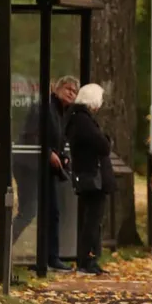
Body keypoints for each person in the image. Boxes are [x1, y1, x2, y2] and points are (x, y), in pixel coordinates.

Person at [0, 76, 77, 271]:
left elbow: (56, 140)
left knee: (52, 211)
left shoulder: (62, 112)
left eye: (74, 91)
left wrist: (61, 156)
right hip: (28, 165)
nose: (71, 93)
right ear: (57, 89)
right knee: (28, 211)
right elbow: (32, 135)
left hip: (43, 168)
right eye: (68, 89)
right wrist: (48, 153)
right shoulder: (44, 107)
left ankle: (50, 258)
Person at [65, 83, 114, 276]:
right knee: (92, 221)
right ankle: (87, 261)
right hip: (92, 177)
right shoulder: (83, 120)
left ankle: (89, 259)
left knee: (91, 220)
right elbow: (103, 145)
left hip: (87, 175)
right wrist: (106, 139)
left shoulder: (76, 118)